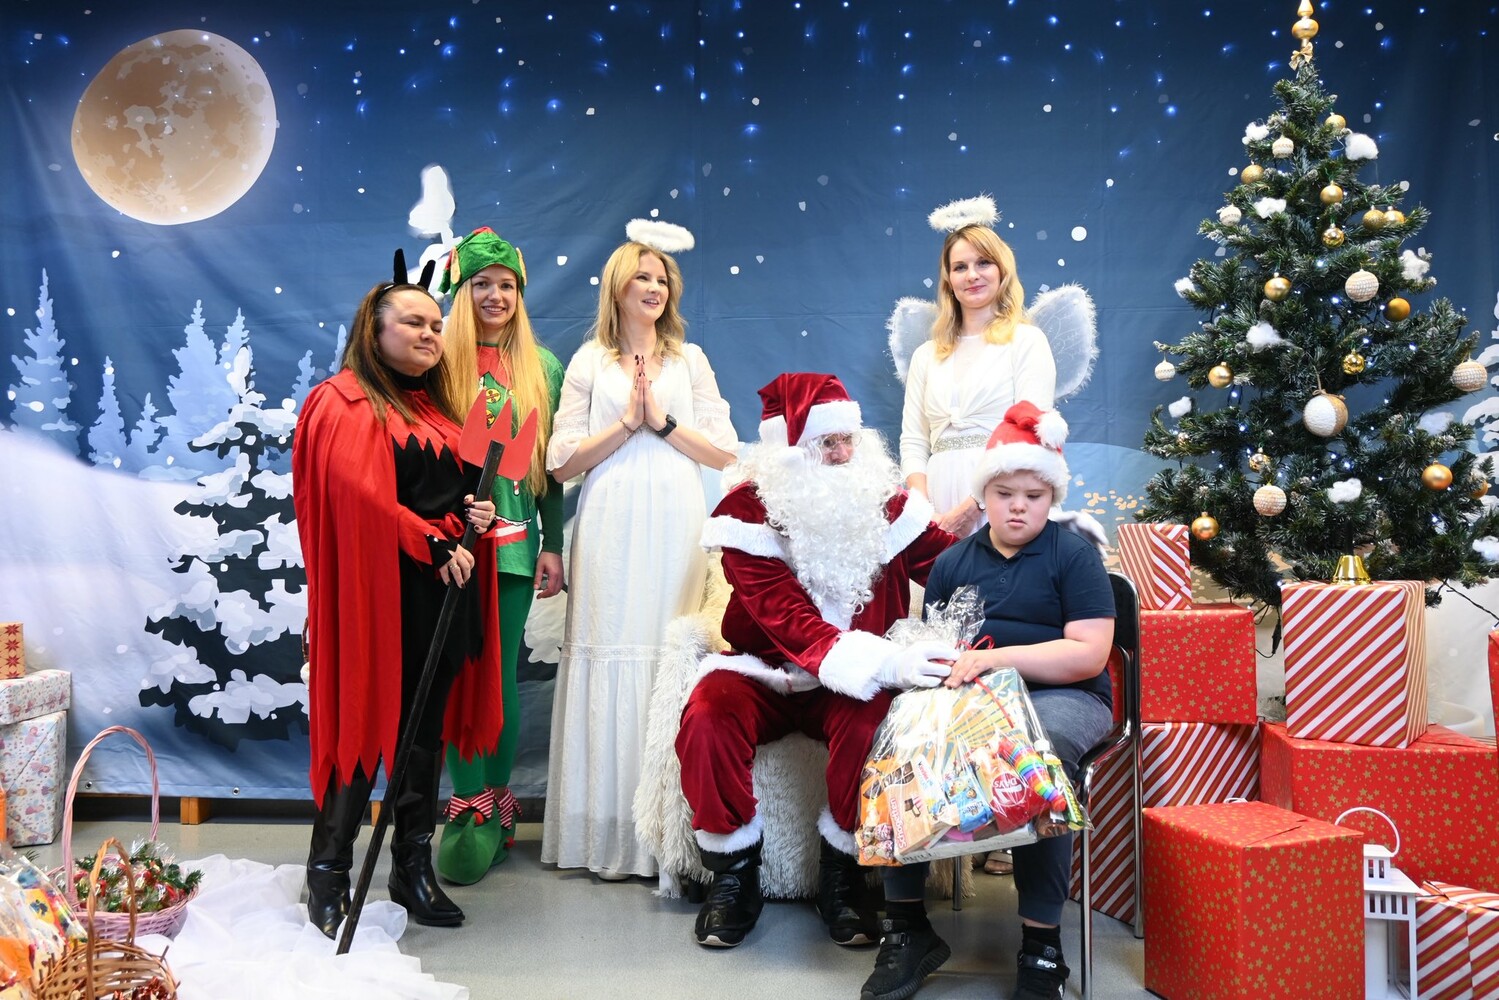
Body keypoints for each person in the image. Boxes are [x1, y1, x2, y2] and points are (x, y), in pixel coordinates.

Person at [676, 372, 960, 949]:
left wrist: (1024, 551)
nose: (842, 454)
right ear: (789, 451)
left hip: (847, 686)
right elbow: (783, 617)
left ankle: (844, 875)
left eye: (847, 440)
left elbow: (952, 566)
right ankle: (734, 875)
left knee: (872, 722)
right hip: (764, 671)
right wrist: (886, 663)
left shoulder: (885, 505)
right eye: (827, 443)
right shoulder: (746, 512)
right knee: (706, 717)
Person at [860, 400, 1115, 1000]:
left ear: (1051, 497)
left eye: (1033, 495)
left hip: (1064, 695)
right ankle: (906, 928)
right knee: (898, 745)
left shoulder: (1074, 555)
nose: (1018, 506)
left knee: (1037, 753)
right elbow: (939, 644)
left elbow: (1089, 654)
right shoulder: (952, 562)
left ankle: (1042, 945)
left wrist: (996, 660)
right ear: (983, 495)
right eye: (1004, 493)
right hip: (972, 696)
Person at [293, 253, 507, 937]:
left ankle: (411, 869)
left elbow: (455, 492)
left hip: (443, 596)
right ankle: (328, 874)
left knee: (423, 738)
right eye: (413, 322)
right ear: (374, 329)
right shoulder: (342, 401)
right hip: (378, 597)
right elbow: (354, 495)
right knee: (361, 725)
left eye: (436, 325)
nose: (429, 334)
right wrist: (429, 541)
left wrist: (476, 518)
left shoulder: (439, 410)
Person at [543, 219, 738, 880]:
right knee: (610, 647)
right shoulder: (588, 362)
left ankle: (670, 837)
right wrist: (627, 424)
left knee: (666, 654)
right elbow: (561, 462)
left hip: (676, 518)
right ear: (617, 288)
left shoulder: (690, 360)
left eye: (662, 279)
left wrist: (663, 422)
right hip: (609, 520)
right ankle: (604, 834)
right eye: (642, 278)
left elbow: (723, 451)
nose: (654, 288)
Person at [900, 195, 1058, 879]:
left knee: (992, 642)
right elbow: (912, 438)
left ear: (1002, 271)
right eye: (959, 266)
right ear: (946, 277)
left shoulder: (1025, 341)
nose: (971, 275)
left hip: (1001, 495)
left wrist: (974, 507)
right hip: (934, 503)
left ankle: (1002, 816)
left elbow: (1028, 426)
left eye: (982, 264)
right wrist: (921, 508)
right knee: (940, 647)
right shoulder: (927, 354)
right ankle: (937, 813)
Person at [432, 227, 565, 885]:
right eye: (481, 283)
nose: (495, 296)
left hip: (513, 551)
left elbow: (551, 471)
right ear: (462, 291)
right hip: (449, 550)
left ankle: (494, 804)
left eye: (506, 285)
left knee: (499, 678)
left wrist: (554, 543)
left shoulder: (544, 368)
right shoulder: (436, 362)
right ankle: (466, 805)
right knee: (458, 675)